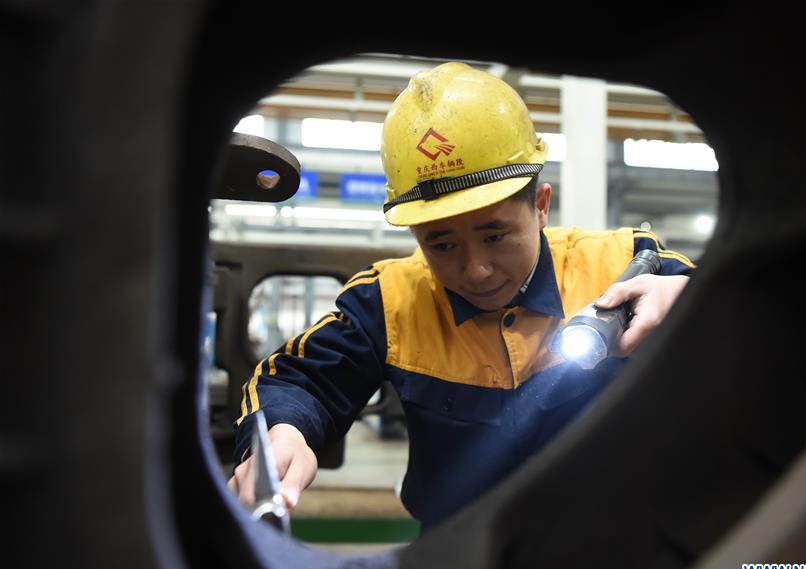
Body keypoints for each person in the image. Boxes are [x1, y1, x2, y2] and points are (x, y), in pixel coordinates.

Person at [228, 62, 695, 531]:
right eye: (443, 245)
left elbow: (737, 316)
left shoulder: (625, 267)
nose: (476, 270)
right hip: (454, 553)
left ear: (540, 206)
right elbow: (300, 380)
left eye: (495, 236)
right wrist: (283, 433)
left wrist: (691, 304)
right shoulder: (390, 302)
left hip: (618, 546)